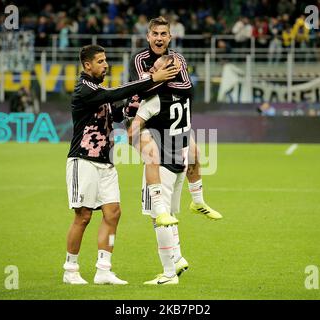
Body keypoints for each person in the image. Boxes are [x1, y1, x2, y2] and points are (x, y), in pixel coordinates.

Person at [63, 44, 179, 285]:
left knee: (113, 213)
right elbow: (111, 95)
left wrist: (133, 105)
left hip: (106, 162)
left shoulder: (97, 89)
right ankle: (70, 269)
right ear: (87, 65)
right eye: (100, 61)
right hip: (83, 160)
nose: (106, 65)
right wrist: (149, 79)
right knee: (83, 216)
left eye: (106, 60)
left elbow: (114, 112)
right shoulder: (84, 89)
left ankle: (103, 269)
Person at [127, 16, 223, 224]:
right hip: (141, 118)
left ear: (170, 37)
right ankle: (160, 209)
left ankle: (197, 202)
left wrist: (157, 80)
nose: (159, 38)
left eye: (163, 34)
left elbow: (187, 88)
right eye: (155, 34)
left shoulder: (178, 59)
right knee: (152, 154)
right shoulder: (139, 59)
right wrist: (161, 79)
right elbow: (139, 90)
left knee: (195, 153)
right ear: (148, 36)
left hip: (167, 119)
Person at [128, 55, 191, 285]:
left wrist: (139, 145)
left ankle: (168, 273)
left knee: (158, 217)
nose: (150, 72)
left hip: (160, 163)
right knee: (169, 215)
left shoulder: (154, 98)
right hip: (178, 162)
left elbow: (132, 130)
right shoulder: (184, 95)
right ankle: (177, 257)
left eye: (156, 68)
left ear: (168, 73)